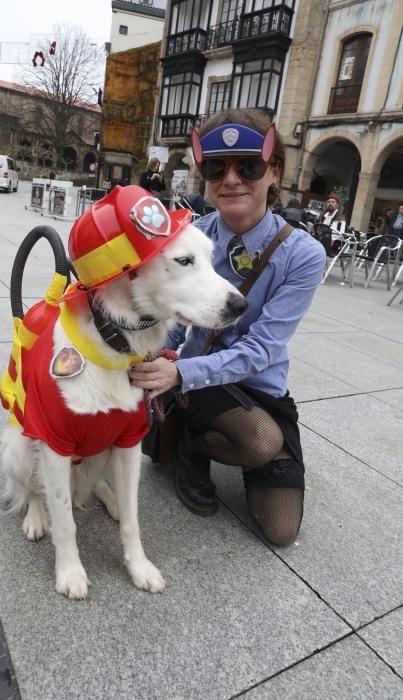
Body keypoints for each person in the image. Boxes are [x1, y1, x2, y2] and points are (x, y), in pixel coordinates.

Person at [129, 108, 325, 546]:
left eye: (248, 166)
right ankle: (189, 446)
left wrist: (180, 371)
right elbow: (173, 318)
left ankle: (197, 442)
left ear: (274, 172)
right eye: (216, 167)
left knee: (280, 531)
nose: (231, 178)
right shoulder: (190, 235)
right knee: (259, 442)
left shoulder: (303, 254)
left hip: (256, 386)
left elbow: (261, 349)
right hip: (197, 383)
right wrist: (160, 358)